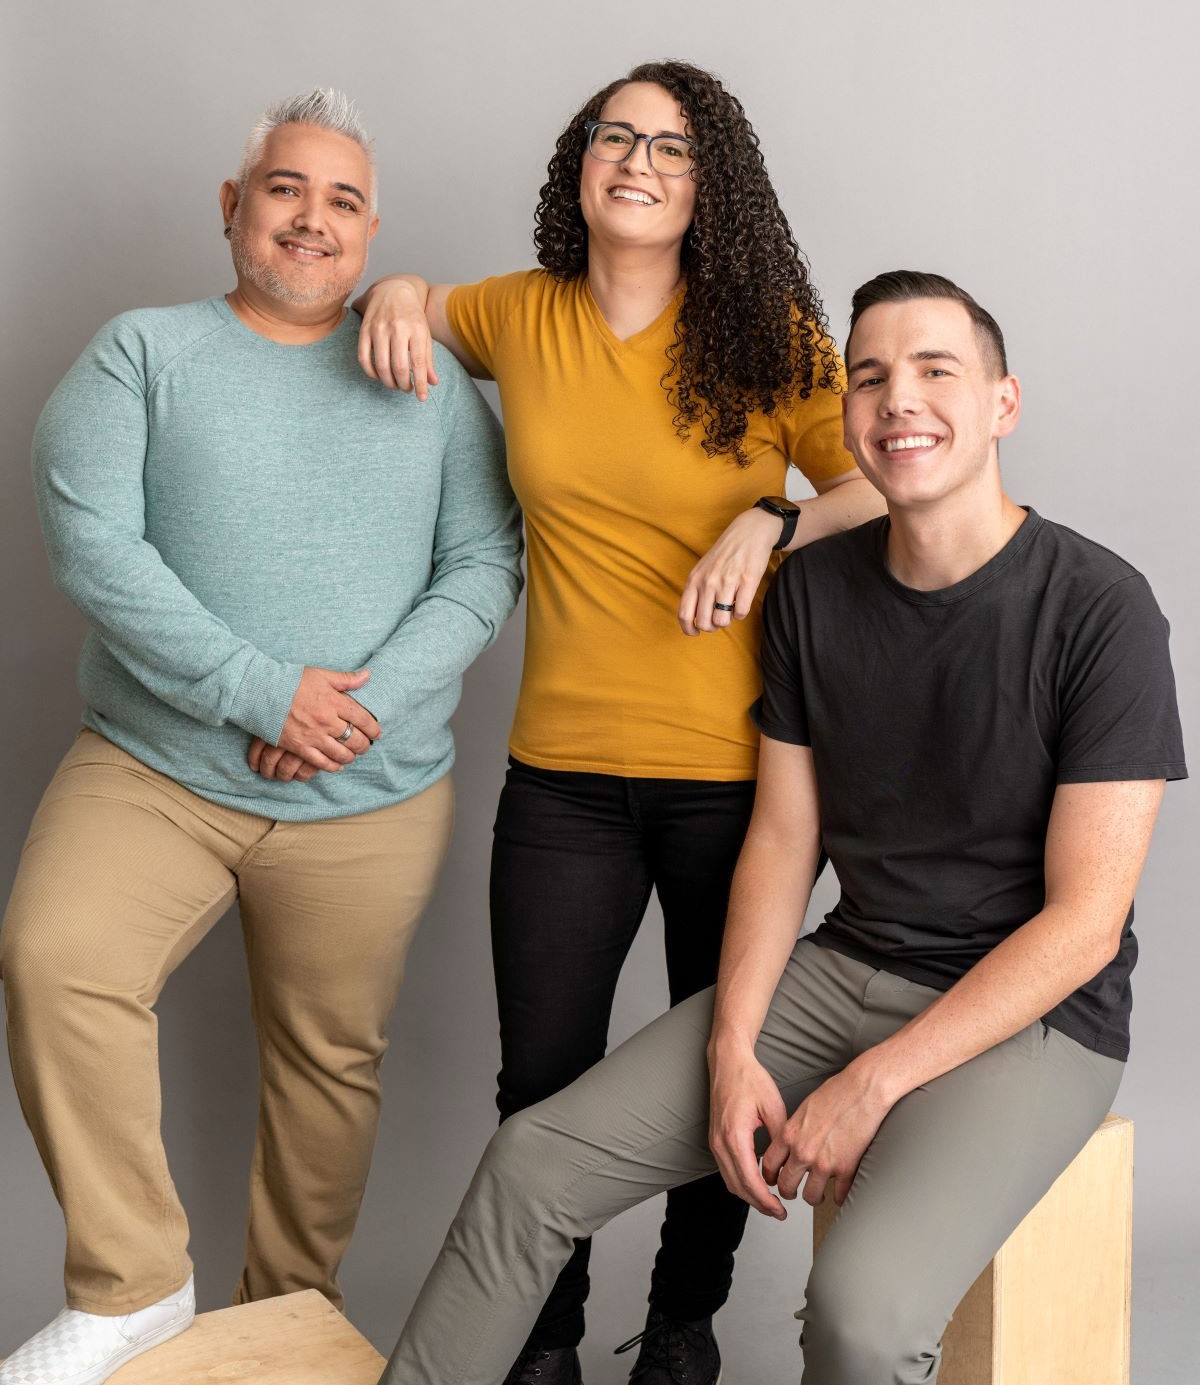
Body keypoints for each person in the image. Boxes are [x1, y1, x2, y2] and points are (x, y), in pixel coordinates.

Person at [374, 271, 1186, 1385]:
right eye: (870, 377)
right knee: (530, 1162)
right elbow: (781, 841)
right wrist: (731, 1042)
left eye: (936, 371)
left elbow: (1087, 924)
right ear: (846, 415)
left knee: (859, 1314)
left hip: (1033, 1016)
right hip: (847, 965)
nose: (899, 399)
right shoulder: (812, 593)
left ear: (1003, 403)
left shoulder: (1102, 607)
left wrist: (877, 1080)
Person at [355, 60, 882, 1385]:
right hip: (563, 785)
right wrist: (403, 290)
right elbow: (408, 302)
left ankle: (685, 1330)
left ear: (714, 189)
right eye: (615, 137)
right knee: (541, 1084)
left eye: (672, 147)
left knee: (721, 1069)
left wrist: (774, 518)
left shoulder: (765, 337)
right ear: (578, 164)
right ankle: (542, 1346)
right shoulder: (521, 316)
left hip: (738, 784)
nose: (638, 160)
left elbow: (888, 478)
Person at [0, 88, 521, 1385]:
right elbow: (94, 547)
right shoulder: (141, 354)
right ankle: (133, 1285)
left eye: (343, 199)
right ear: (234, 209)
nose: (312, 217)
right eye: (286, 188)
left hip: (370, 790)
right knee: (55, 955)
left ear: (371, 231)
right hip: (154, 770)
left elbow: (485, 560)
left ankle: (284, 1319)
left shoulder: (434, 382)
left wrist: (353, 712)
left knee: (325, 1066)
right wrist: (260, 692)